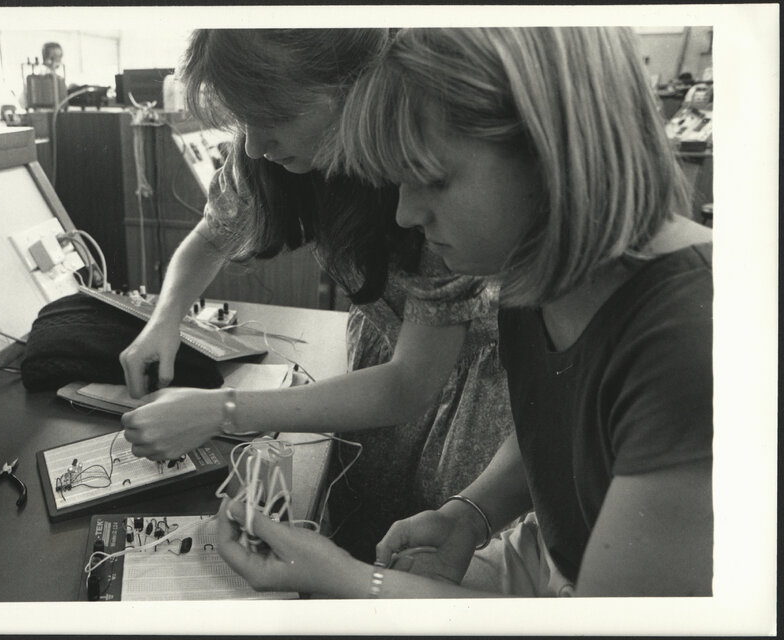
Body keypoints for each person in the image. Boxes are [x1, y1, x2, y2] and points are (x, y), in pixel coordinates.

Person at [214, 26, 713, 598]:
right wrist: (472, 512)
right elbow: (562, 430)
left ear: (552, 149)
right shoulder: (534, 266)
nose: (404, 214)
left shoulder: (691, 342)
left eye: (431, 179)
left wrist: (344, 576)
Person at [118, 29, 514, 561]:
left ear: (355, 87)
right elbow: (210, 237)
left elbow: (410, 383)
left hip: (469, 403)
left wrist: (221, 410)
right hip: (382, 370)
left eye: (274, 117)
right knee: (362, 538)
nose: (255, 145)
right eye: (244, 120)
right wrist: (162, 320)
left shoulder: (429, 179)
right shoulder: (271, 152)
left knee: (426, 560)